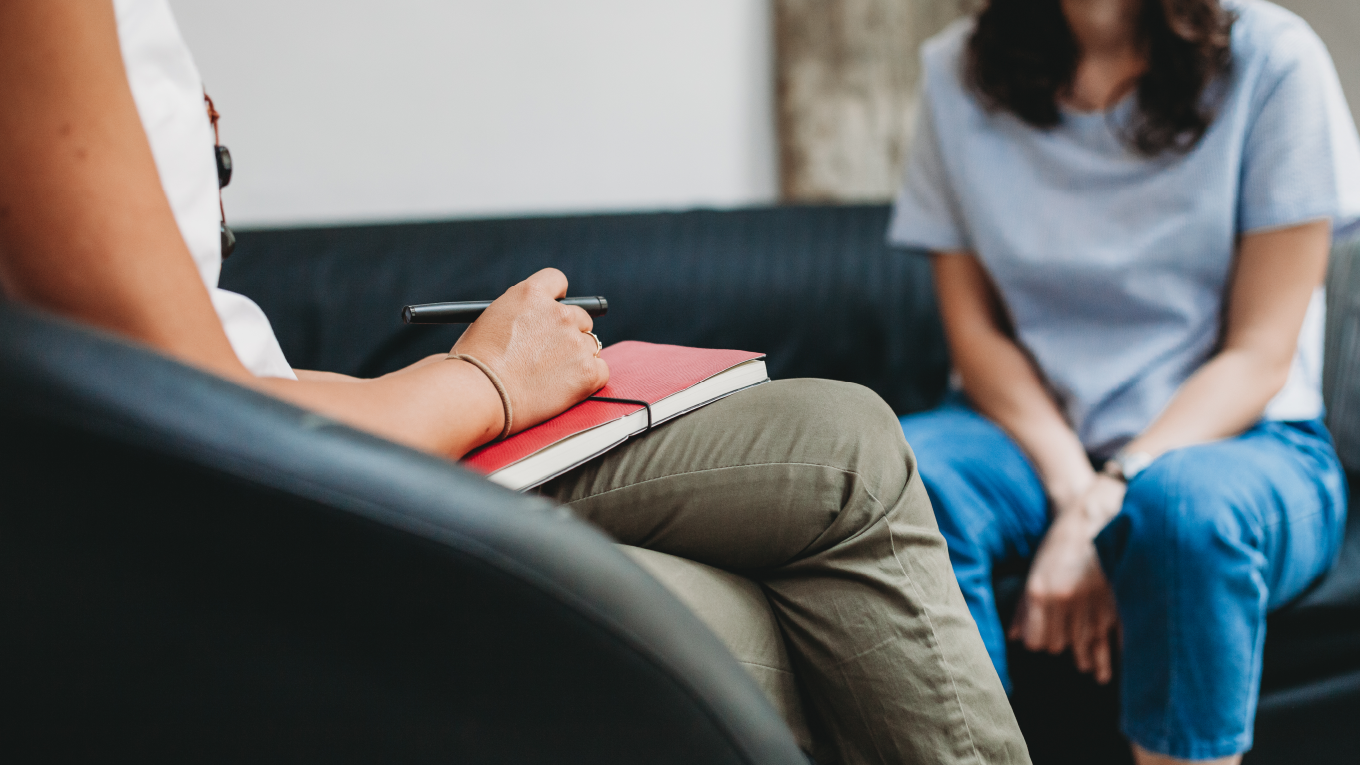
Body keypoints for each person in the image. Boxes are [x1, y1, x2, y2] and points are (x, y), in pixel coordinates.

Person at [0, 2, 1031, 763]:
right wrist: (482, 382)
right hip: (228, 515)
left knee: (839, 439)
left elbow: (179, 345)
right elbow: (183, 416)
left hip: (281, 439)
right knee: (751, 627)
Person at [890, 0, 1360, 763]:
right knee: (892, 478)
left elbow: (1261, 352)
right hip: (1024, 437)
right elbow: (977, 339)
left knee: (1181, 511)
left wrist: (1116, 489)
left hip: (1243, 437)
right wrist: (1077, 490)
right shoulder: (955, 73)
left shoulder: (1276, 61)